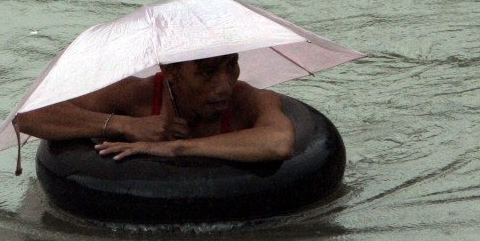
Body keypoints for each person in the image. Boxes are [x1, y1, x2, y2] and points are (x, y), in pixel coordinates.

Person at [15, 53, 295, 162]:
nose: (224, 85)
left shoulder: (248, 100)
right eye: (207, 72)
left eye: (231, 65)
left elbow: (279, 143)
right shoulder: (136, 94)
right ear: (172, 71)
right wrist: (124, 125)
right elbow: (28, 117)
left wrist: (171, 148)